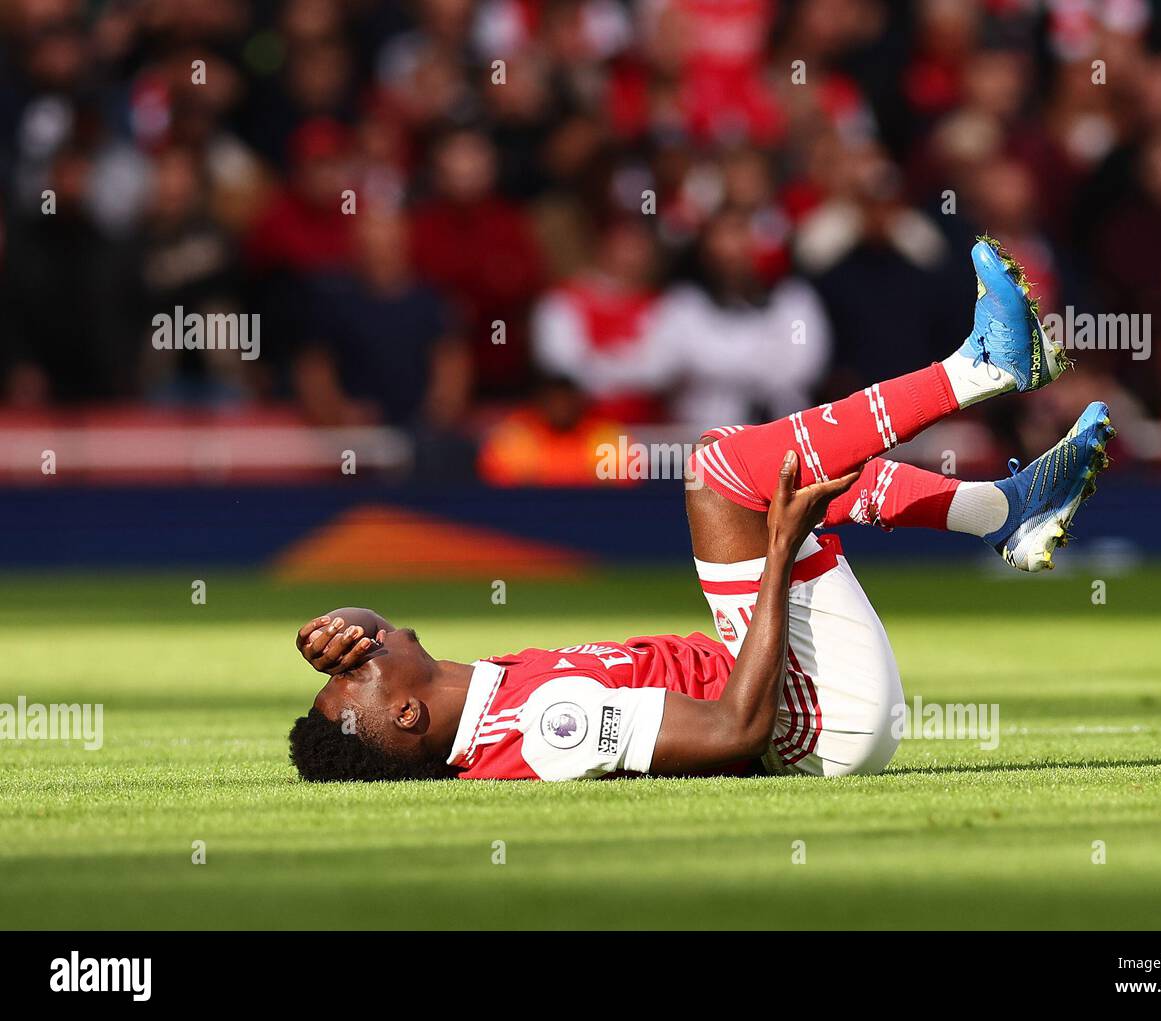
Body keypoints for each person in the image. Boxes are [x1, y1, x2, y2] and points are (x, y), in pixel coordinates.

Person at [288, 239, 1114, 782]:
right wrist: (779, 560)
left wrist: (343, 620)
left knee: (783, 477)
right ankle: (981, 370)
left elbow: (374, 634)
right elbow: (730, 732)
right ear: (403, 712)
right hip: (811, 722)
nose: (349, 656)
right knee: (721, 472)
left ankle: (1005, 513)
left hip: (805, 698)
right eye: (352, 676)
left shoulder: (482, 699)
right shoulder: (546, 726)